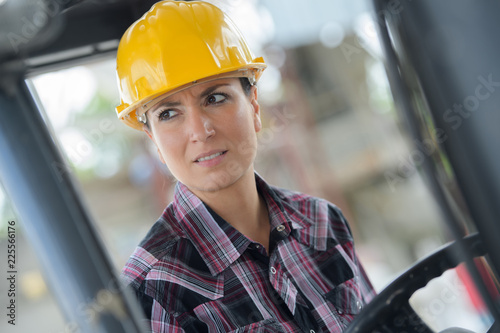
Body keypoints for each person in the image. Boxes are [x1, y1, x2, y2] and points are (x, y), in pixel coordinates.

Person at [117, 1, 375, 332]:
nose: (200, 131)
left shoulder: (323, 222)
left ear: (253, 106)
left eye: (215, 98)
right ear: (154, 140)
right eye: (168, 113)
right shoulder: (154, 292)